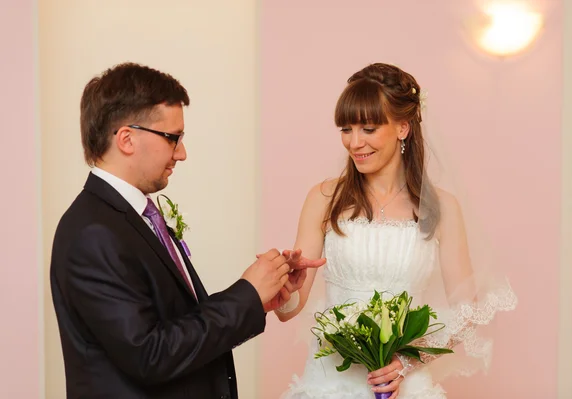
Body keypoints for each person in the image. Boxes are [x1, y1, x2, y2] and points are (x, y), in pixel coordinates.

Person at [49, 62, 326, 399]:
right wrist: (246, 294)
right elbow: (149, 355)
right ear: (126, 139)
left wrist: (261, 297)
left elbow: (179, 322)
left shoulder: (133, 217)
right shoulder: (93, 233)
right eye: (173, 138)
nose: (181, 153)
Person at [277, 63, 517, 398]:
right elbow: (290, 309)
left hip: (405, 387)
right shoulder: (324, 198)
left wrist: (407, 361)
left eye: (369, 128)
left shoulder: (441, 208)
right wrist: (284, 292)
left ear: (403, 127)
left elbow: (466, 312)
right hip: (328, 384)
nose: (354, 142)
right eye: (346, 128)